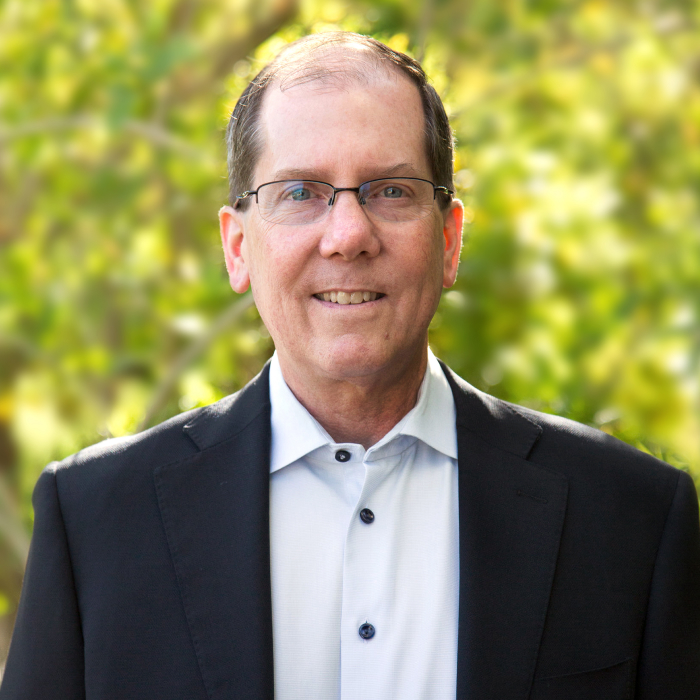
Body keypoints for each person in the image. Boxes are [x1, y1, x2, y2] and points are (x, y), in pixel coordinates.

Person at [1, 31, 699, 700]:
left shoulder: (632, 521)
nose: (347, 235)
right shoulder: (96, 522)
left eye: (390, 191)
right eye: (300, 192)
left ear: (449, 240)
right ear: (238, 246)